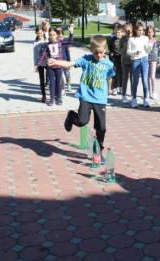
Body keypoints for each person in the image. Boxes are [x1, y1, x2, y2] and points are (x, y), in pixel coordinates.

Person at [50, 35, 115, 163]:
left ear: (105, 49)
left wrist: (109, 89)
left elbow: (109, 76)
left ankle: (98, 152)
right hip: (86, 96)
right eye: (96, 52)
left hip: (100, 99)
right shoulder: (86, 60)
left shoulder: (108, 64)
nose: (99, 55)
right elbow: (69, 63)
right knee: (82, 121)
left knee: (101, 128)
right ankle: (71, 116)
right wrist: (56, 62)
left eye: (101, 52)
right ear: (91, 50)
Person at [34, 26, 74, 106]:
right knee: (52, 83)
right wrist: (36, 65)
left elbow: (70, 41)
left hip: (59, 66)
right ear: (49, 36)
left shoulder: (60, 42)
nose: (52, 37)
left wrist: (71, 32)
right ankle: (52, 98)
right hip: (50, 67)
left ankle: (58, 97)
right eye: (50, 35)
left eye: (53, 35)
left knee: (58, 83)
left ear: (56, 35)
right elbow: (42, 56)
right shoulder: (47, 45)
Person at [127, 22, 151, 108]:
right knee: (135, 81)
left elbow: (148, 51)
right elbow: (128, 51)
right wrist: (135, 53)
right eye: (139, 30)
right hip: (135, 60)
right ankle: (134, 99)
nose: (141, 32)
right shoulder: (131, 39)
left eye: (142, 30)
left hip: (144, 59)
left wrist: (150, 45)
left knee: (145, 80)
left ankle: (146, 99)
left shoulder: (145, 38)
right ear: (135, 30)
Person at [146, 25, 160, 99]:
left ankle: (154, 91)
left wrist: (159, 61)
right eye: (148, 32)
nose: (150, 33)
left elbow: (159, 51)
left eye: (151, 32)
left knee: (152, 77)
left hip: (154, 60)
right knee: (147, 77)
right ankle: (148, 92)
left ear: (154, 32)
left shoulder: (156, 41)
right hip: (146, 60)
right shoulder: (145, 40)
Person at [119, 23, 133, 103]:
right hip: (124, 61)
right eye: (125, 30)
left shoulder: (134, 38)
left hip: (133, 61)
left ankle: (132, 95)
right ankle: (123, 95)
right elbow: (119, 51)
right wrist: (124, 46)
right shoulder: (122, 39)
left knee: (133, 78)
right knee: (125, 78)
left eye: (129, 30)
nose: (127, 32)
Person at [33, 26, 48, 103]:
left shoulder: (47, 41)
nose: (40, 35)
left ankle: (53, 95)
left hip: (48, 63)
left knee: (51, 79)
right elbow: (35, 54)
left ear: (43, 33)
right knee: (42, 80)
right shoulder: (36, 43)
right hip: (40, 64)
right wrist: (35, 65)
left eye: (41, 33)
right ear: (36, 33)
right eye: (38, 33)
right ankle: (43, 95)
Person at [108, 25, 123, 96]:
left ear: (121, 32)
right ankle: (114, 87)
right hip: (114, 58)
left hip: (121, 57)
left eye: (119, 32)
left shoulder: (123, 39)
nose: (117, 34)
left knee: (121, 72)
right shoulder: (112, 39)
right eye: (116, 33)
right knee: (114, 72)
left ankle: (121, 86)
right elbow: (110, 47)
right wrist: (111, 52)